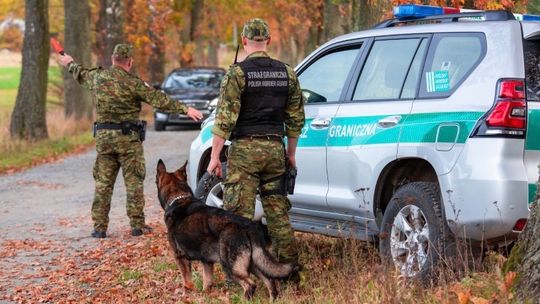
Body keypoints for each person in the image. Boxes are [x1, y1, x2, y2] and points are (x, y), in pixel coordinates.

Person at [58, 44, 203, 238]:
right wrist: (185, 110)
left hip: (105, 141)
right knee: (133, 182)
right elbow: (158, 99)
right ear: (129, 62)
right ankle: (137, 225)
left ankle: (99, 228)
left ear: (112, 59)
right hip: (128, 141)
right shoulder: (134, 83)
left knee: (103, 184)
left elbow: (80, 73)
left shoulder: (98, 78)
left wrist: (70, 62)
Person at [207, 18, 305, 266]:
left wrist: (214, 156)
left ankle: (237, 277)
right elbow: (295, 120)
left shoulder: (236, 75)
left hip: (245, 154)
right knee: (278, 215)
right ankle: (289, 272)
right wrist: (290, 154)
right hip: (274, 150)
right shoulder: (287, 73)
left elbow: (224, 121)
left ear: (243, 41)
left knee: (238, 217)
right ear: (268, 41)